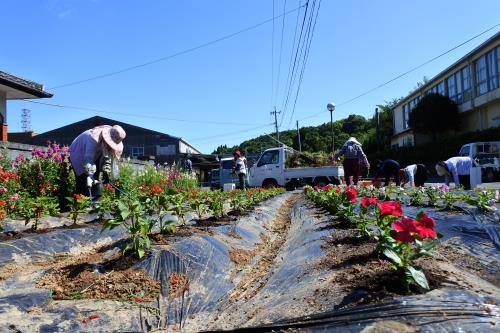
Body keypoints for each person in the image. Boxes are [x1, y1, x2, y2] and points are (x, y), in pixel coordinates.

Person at [69, 124, 126, 198]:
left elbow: (107, 156)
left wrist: (106, 172)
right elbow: (89, 159)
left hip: (93, 155)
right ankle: (81, 202)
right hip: (78, 153)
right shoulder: (92, 139)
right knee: (83, 180)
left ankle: (95, 199)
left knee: (95, 179)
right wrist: (89, 175)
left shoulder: (108, 141)